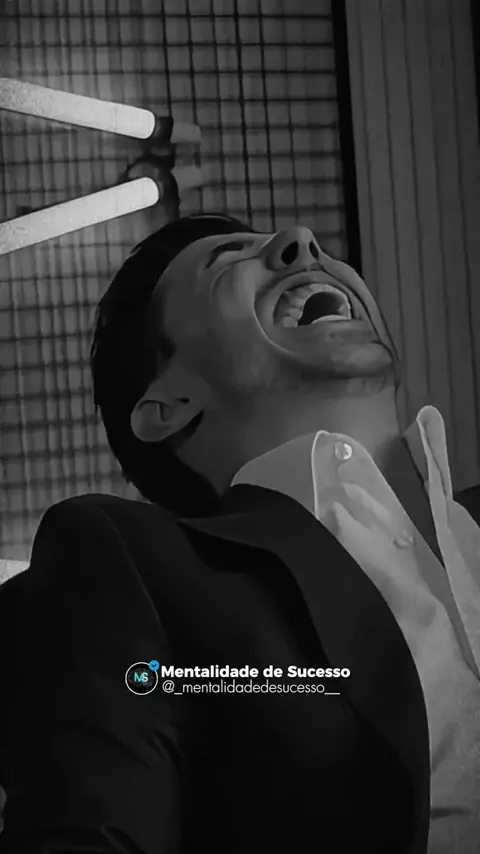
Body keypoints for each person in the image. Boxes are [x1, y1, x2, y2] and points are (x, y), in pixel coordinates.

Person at [0, 213, 479, 853]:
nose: (302, 241)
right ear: (169, 406)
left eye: (307, 244)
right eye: (228, 259)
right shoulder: (136, 571)